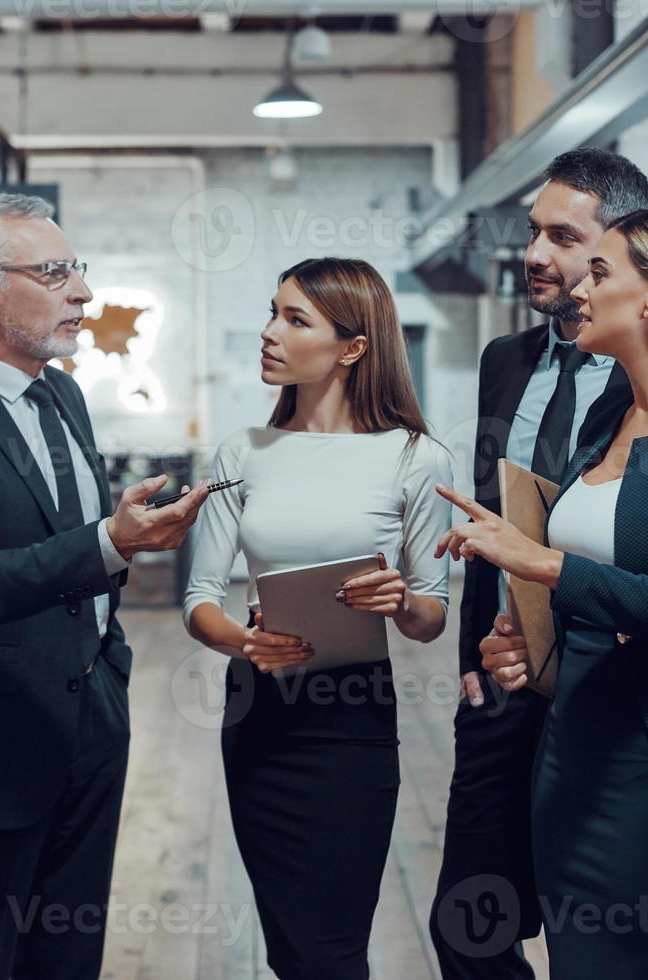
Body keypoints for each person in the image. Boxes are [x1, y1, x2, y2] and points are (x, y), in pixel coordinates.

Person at [0, 193, 211, 979]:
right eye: (55, 272)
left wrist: (109, 669)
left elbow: (71, 553)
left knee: (68, 958)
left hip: (89, 720)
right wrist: (110, 543)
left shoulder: (61, 394)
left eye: (77, 270)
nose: (82, 293)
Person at [435, 205, 648, 979]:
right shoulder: (608, 413)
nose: (576, 291)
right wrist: (527, 637)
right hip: (570, 750)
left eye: (598, 272)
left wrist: (545, 567)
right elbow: (590, 582)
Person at [183, 257, 453, 980]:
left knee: (332, 951)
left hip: (351, 718)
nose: (269, 333)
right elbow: (198, 598)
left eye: (294, 319)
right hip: (261, 712)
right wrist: (245, 640)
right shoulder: (242, 453)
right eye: (274, 312)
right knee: (290, 950)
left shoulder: (416, 458)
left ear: (353, 346)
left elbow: (431, 615)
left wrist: (398, 600)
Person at [428, 148, 648, 979]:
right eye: (532, 233)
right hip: (497, 682)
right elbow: (491, 532)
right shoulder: (506, 360)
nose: (533, 254)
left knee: (585, 933)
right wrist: (469, 667)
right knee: (468, 928)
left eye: (562, 236)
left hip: (602, 689)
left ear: (619, 247)